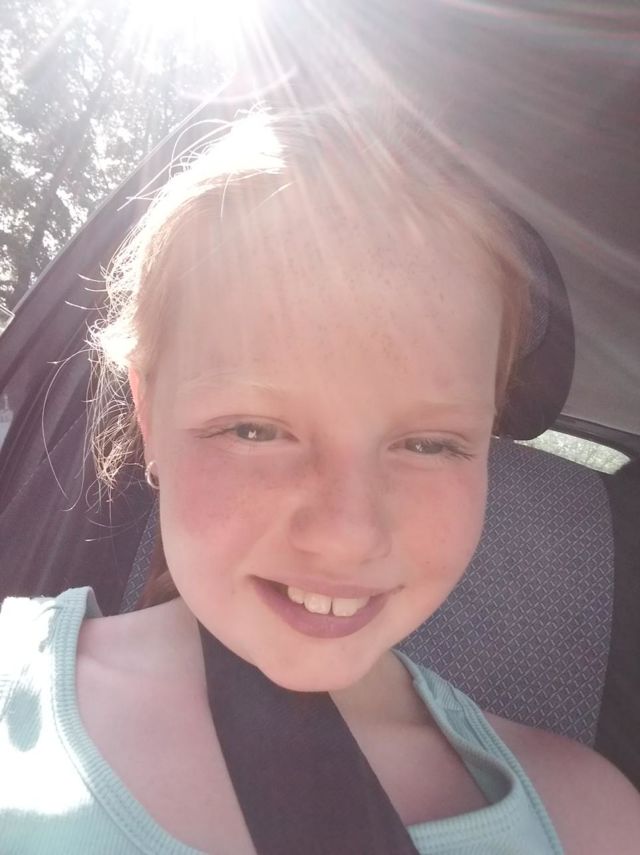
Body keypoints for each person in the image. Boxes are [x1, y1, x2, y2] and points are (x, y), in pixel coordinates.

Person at [1, 104, 639, 854]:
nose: (347, 534)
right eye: (253, 429)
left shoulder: (590, 820)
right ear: (149, 417)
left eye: (429, 444)